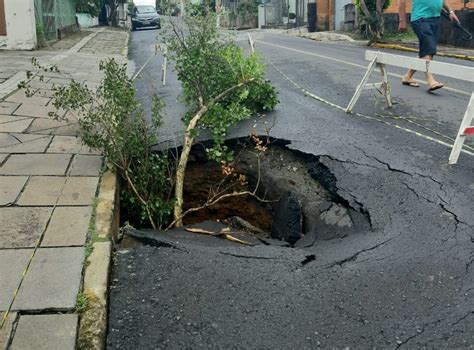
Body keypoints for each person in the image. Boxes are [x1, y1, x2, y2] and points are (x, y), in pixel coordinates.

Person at [398, 0, 459, 91]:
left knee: (426, 51)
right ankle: (430, 80)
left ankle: (408, 77)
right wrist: (402, 21)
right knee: (429, 48)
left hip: (436, 19)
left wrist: (450, 11)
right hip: (420, 19)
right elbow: (402, 1)